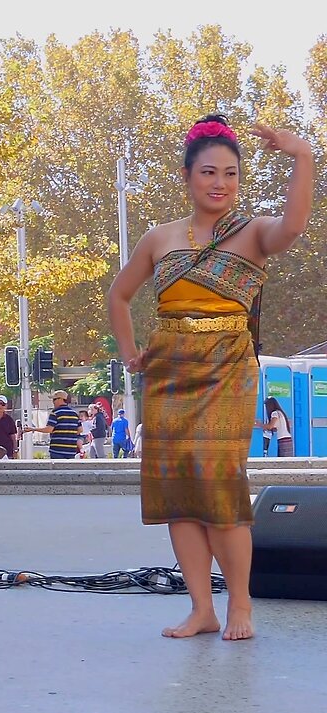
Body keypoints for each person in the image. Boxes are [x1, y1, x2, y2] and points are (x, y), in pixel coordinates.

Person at [108, 115, 313, 641]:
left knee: (220, 487)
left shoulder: (252, 233)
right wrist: (131, 353)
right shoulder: (160, 238)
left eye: (230, 173)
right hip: (168, 369)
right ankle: (202, 608)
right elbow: (119, 295)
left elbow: (292, 228)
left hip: (227, 366)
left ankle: (239, 604)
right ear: (187, 177)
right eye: (209, 173)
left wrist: (303, 156)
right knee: (178, 492)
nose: (220, 183)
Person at [25, 390, 82, 459]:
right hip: (71, 450)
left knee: (57, 469)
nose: (53, 402)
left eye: (54, 399)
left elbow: (49, 429)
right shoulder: (74, 413)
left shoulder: (55, 412)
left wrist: (33, 429)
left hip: (57, 450)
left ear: (61, 399)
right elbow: (80, 430)